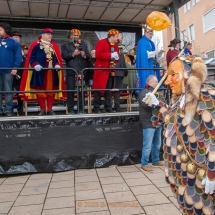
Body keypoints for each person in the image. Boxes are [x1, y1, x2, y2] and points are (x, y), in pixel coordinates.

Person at [143, 57, 215, 214]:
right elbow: (170, 119)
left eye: (173, 74)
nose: (168, 81)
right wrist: (156, 104)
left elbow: (213, 138)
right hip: (180, 175)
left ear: (190, 74)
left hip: (198, 175)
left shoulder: (206, 97)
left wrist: (213, 173)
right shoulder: (178, 98)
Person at [20, 28, 66, 115]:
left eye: (51, 34)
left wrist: (57, 64)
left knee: (51, 92)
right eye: (48, 34)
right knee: (40, 91)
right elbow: (31, 58)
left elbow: (56, 58)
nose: (50, 36)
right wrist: (35, 64)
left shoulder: (53, 46)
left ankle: (49, 109)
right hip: (39, 73)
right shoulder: (36, 45)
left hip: (51, 73)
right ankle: (42, 109)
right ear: (42, 35)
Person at [138, 75, 164, 172]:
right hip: (148, 122)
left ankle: (156, 160)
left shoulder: (157, 93)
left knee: (157, 144)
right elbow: (145, 105)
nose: (157, 84)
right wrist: (153, 102)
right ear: (150, 83)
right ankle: (144, 163)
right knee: (147, 145)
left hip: (157, 121)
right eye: (155, 82)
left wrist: (159, 102)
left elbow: (162, 102)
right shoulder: (143, 93)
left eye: (157, 82)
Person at [61, 29, 90, 114]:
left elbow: (88, 56)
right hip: (71, 71)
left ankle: (81, 108)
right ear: (71, 36)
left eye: (77, 35)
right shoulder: (66, 44)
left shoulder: (83, 44)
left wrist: (84, 55)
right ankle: (71, 109)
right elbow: (64, 56)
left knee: (81, 91)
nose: (76, 37)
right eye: (74, 35)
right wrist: (73, 54)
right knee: (70, 91)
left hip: (81, 71)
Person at [92, 29, 119, 113]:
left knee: (108, 90)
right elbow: (98, 54)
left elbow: (117, 56)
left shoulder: (115, 45)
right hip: (101, 69)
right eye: (117, 36)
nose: (118, 38)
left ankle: (108, 108)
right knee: (98, 89)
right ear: (111, 36)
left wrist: (117, 58)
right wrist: (110, 55)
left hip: (110, 69)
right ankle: (96, 108)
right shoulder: (101, 42)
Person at [0, 22, 22, 117]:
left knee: (8, 91)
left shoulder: (13, 42)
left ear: (5, 30)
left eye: (0, 30)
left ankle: (8, 110)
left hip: (8, 70)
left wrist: (15, 68)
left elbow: (18, 56)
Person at [135, 24, 163, 94]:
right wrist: (153, 53)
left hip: (151, 65)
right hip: (145, 65)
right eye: (150, 34)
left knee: (153, 80)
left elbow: (153, 55)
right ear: (146, 32)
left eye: (152, 34)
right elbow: (143, 55)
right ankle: (146, 92)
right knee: (146, 79)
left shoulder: (151, 43)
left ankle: (153, 92)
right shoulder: (142, 42)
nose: (152, 35)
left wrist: (158, 54)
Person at [11, 31, 25, 116]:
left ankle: (20, 110)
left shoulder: (20, 48)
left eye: (18, 37)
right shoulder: (10, 47)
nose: (16, 38)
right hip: (10, 72)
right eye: (15, 37)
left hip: (20, 73)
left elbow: (22, 61)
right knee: (8, 91)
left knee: (20, 92)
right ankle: (9, 110)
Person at [114, 31, 127, 112]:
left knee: (117, 90)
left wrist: (125, 69)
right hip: (114, 70)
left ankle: (117, 105)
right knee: (113, 89)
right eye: (120, 36)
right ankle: (110, 105)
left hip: (120, 71)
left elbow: (122, 59)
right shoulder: (113, 45)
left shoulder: (120, 46)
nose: (121, 38)